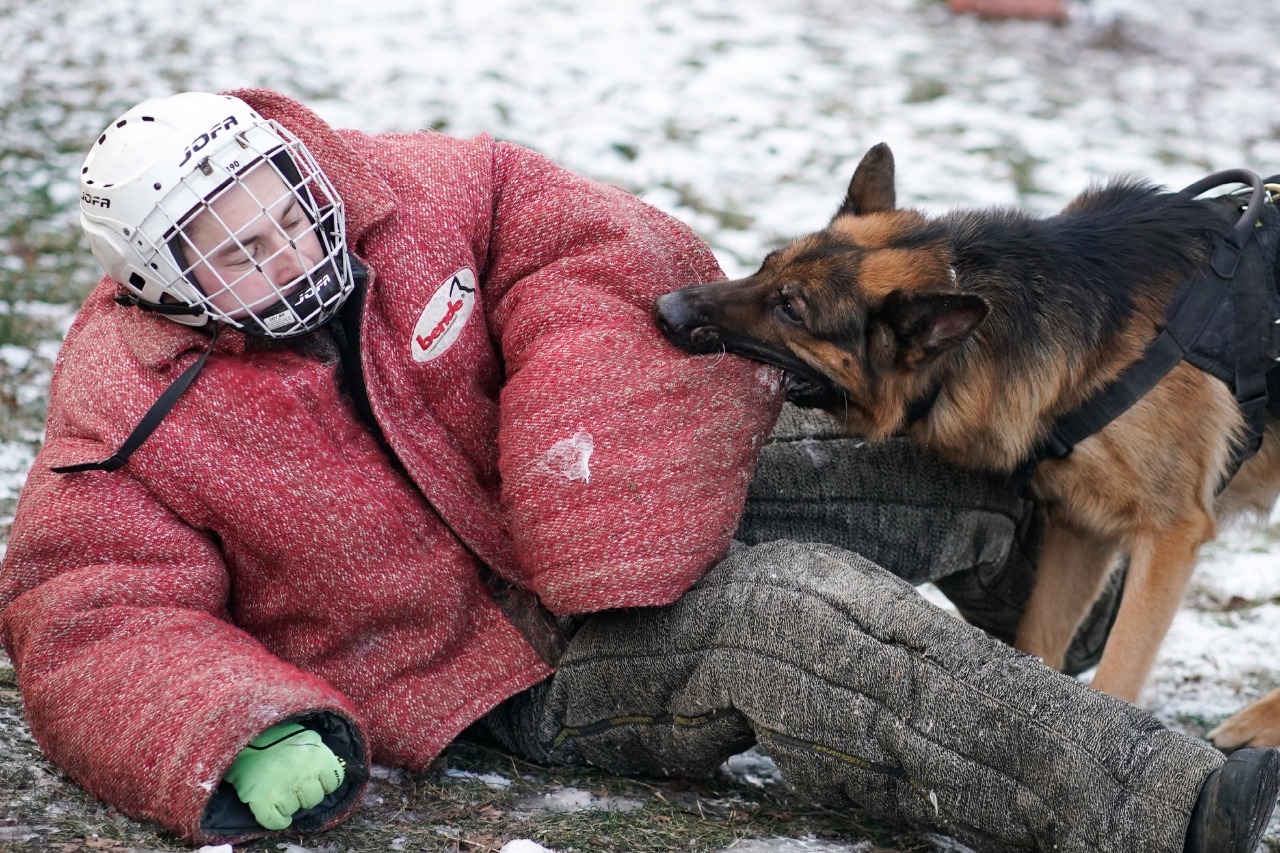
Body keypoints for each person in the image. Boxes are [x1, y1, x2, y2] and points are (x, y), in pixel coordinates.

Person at [0, 89, 1275, 853]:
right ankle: (1157, 799)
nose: (285, 246)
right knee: (803, 621)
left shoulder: (409, 192)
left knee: (930, 463)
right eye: (236, 250)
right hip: (497, 655)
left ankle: (1059, 620)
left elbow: (572, 234)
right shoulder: (130, 411)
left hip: (595, 498)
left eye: (283, 206)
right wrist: (233, 727)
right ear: (161, 279)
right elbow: (87, 613)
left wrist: (577, 433)